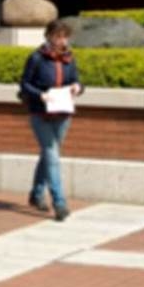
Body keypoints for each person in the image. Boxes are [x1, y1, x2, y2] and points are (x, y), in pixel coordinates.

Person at [20, 18, 83, 222]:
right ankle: (59, 202)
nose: (62, 40)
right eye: (58, 36)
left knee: (49, 154)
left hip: (63, 111)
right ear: (49, 36)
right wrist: (41, 95)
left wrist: (77, 88)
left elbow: (76, 80)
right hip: (41, 112)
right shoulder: (37, 58)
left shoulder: (69, 59)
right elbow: (25, 85)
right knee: (52, 154)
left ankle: (37, 194)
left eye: (65, 36)